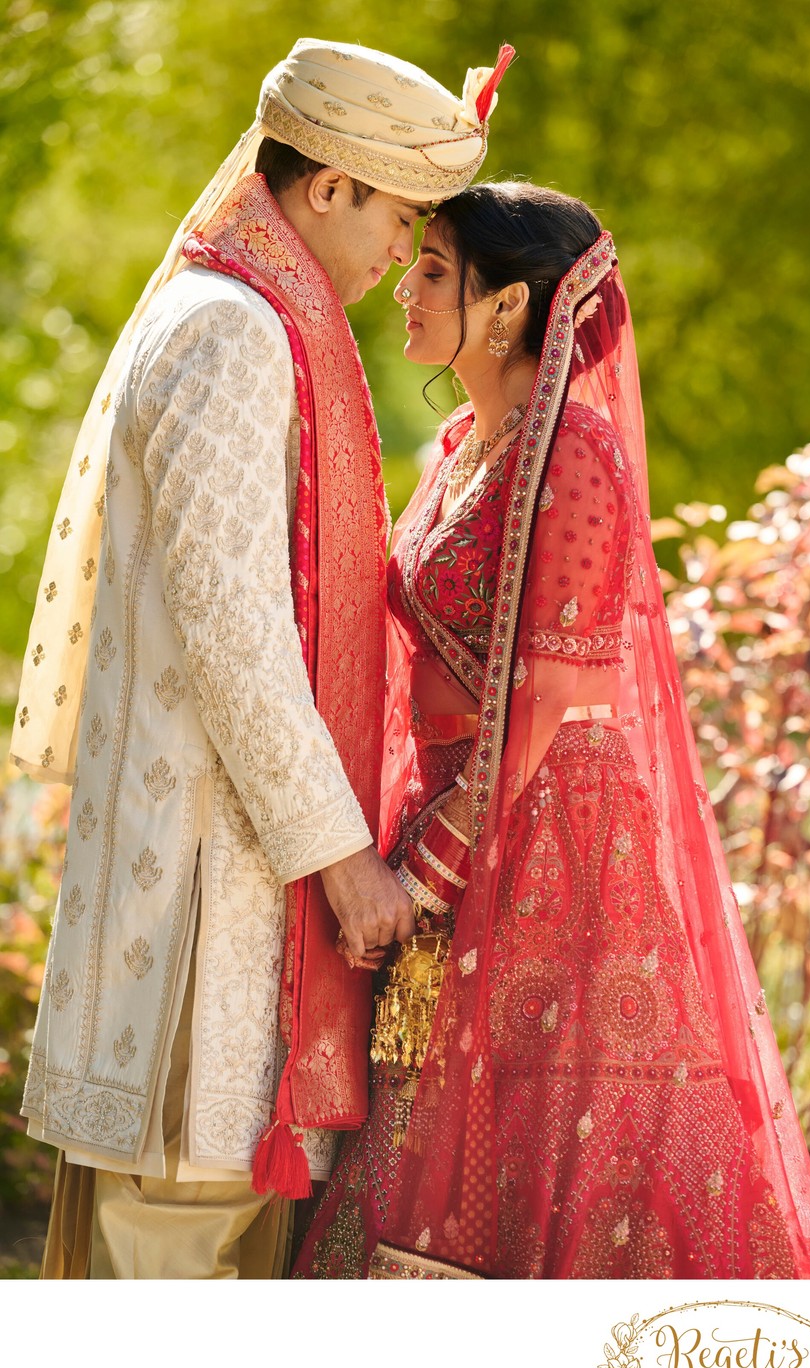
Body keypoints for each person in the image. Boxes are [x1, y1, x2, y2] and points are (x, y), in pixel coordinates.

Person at [12, 38, 515, 1280]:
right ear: (329, 186)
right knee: (181, 1254)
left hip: (225, 874)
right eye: (398, 216)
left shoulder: (242, 313)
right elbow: (235, 629)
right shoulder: (236, 330)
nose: (401, 253)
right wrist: (346, 866)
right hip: (205, 892)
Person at [292, 181, 810, 1279]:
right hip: (458, 820)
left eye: (437, 269)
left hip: (556, 856)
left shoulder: (574, 455)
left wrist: (428, 874)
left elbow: (547, 698)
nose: (405, 285)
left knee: (561, 1156)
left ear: (506, 308)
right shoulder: (457, 446)